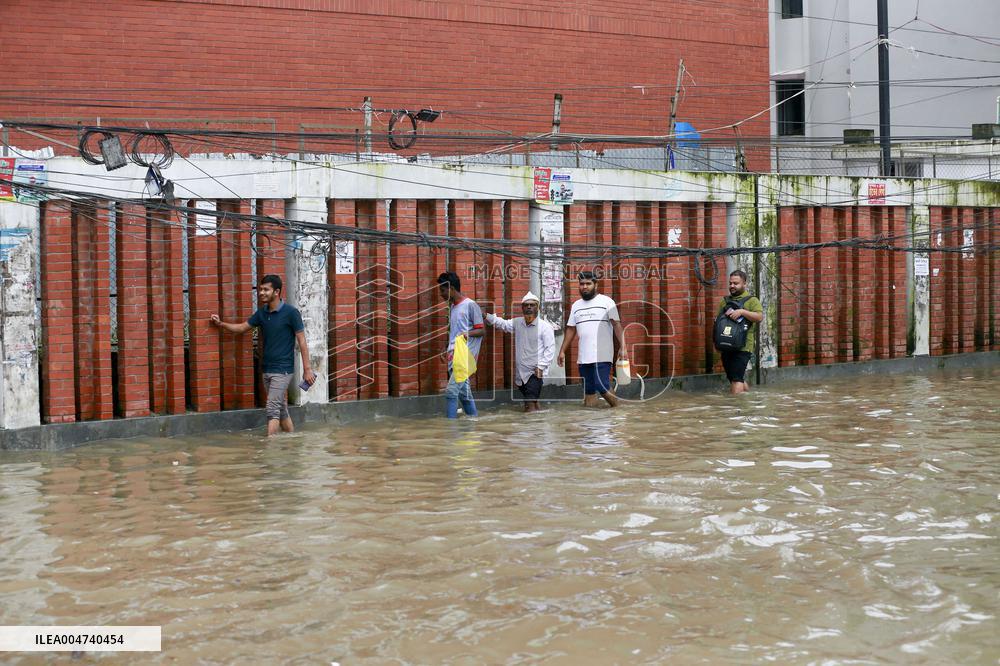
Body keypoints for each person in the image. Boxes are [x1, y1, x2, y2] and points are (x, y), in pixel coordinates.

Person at [210, 274, 316, 435]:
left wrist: (307, 369)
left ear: (276, 292)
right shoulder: (261, 313)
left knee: (272, 408)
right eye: (260, 289)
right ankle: (293, 440)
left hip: (283, 370)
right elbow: (242, 328)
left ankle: (270, 447)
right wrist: (220, 324)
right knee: (281, 409)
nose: (261, 293)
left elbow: (302, 341)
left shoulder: (291, 313)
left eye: (266, 289)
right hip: (266, 369)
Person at [557, 271, 627, 407]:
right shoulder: (576, 306)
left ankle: (618, 410)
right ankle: (590, 417)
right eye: (582, 284)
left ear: (596, 285)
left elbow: (616, 325)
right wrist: (562, 351)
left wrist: (623, 347)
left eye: (588, 284)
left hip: (602, 353)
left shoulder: (607, 302)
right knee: (588, 389)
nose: (584, 287)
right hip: (584, 356)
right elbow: (571, 329)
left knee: (601, 385)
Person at [484, 291, 556, 412]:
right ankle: (541, 421)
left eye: (532, 305)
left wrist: (541, 367)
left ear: (538, 307)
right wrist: (486, 316)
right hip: (520, 373)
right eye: (526, 305)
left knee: (529, 405)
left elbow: (550, 349)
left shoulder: (545, 327)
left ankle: (530, 423)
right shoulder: (518, 323)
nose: (529, 307)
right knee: (533, 402)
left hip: (535, 373)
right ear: (522, 308)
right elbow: (503, 324)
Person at [438, 271, 485, 418]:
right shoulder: (453, 307)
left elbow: (481, 330)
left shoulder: (471, 305)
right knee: (465, 395)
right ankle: (473, 421)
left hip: (465, 357)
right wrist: (446, 347)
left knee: (451, 392)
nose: (441, 294)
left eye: (443, 290)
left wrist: (467, 333)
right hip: (454, 355)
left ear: (451, 288)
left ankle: (450, 426)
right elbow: (454, 331)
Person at [717, 270, 763, 394]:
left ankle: (735, 404)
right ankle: (749, 398)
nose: (732, 286)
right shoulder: (724, 301)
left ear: (744, 284)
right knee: (735, 378)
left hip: (743, 347)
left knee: (736, 379)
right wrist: (717, 343)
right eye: (730, 283)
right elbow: (718, 322)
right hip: (726, 345)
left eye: (736, 283)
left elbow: (759, 317)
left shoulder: (752, 300)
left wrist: (742, 312)